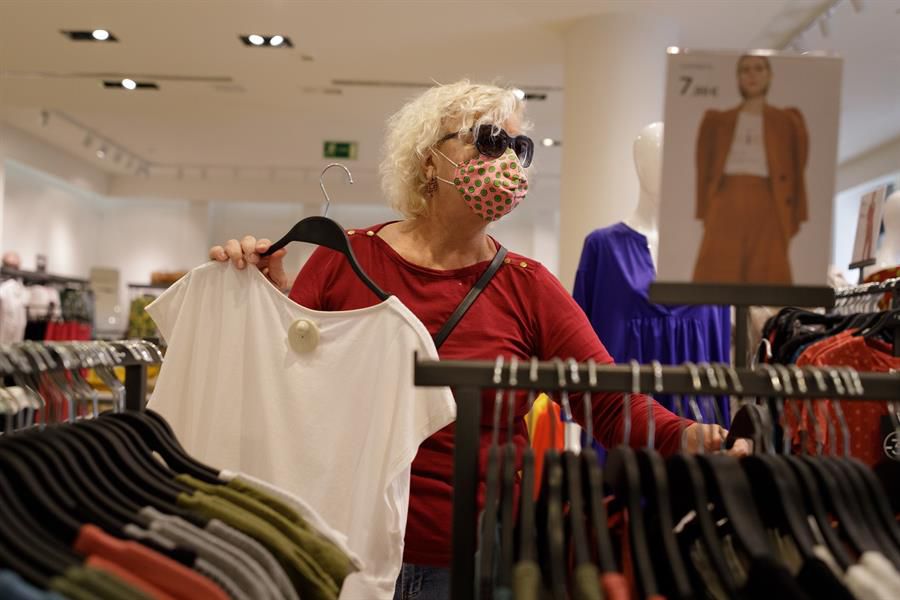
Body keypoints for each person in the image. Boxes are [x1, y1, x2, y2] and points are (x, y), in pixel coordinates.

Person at [209, 80, 747, 600]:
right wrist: (265, 304)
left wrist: (689, 435)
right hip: (340, 547)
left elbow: (604, 400)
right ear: (428, 161)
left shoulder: (528, 286)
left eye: (518, 146)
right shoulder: (344, 259)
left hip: (467, 559)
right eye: (489, 141)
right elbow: (283, 388)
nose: (508, 160)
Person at [693, 55, 809, 284]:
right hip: (725, 199)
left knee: (769, 277)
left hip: (768, 200)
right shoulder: (717, 120)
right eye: (745, 70)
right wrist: (706, 208)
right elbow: (703, 165)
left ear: (769, 75)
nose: (752, 75)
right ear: (738, 77)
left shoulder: (787, 121)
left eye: (758, 68)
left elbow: (798, 164)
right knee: (716, 274)